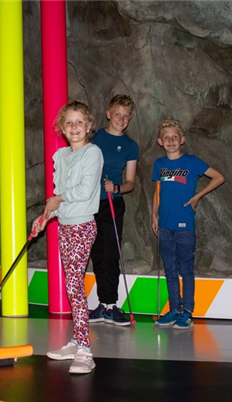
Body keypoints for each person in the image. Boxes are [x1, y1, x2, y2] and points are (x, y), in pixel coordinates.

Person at [31, 100, 103, 374]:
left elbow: (84, 191)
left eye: (79, 122)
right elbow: (58, 196)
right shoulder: (61, 156)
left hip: (83, 226)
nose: (74, 127)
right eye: (69, 122)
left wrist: (56, 200)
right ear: (62, 128)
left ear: (89, 126)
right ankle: (75, 342)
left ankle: (85, 350)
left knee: (73, 284)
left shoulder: (92, 153)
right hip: (64, 226)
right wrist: (44, 218)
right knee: (71, 285)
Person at [151, 119, 225, 329]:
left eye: (175, 137)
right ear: (160, 141)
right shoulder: (159, 164)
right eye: (166, 137)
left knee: (185, 269)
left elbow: (218, 177)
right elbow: (157, 191)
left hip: (184, 225)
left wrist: (198, 197)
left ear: (182, 139)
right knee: (170, 269)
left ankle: (187, 312)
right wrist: (154, 215)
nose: (171, 141)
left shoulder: (192, 162)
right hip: (164, 225)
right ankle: (174, 309)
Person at [88, 94, 139, 326]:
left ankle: (112, 305)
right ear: (108, 114)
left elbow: (130, 182)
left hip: (112, 203)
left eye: (125, 116)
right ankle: (102, 305)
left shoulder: (130, 146)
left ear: (129, 119)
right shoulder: (94, 137)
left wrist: (116, 187)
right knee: (97, 254)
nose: (121, 119)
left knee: (111, 254)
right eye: (117, 114)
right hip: (90, 204)